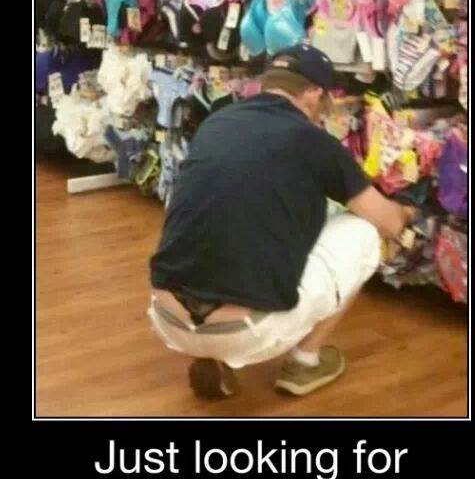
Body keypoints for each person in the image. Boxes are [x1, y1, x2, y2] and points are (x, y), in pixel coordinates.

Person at [148, 44, 418, 399]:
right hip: (244, 330)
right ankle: (305, 362)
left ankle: (209, 355)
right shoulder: (313, 140)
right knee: (364, 231)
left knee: (224, 223)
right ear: (314, 93)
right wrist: (408, 212)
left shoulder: (217, 122)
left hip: (166, 316)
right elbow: (388, 222)